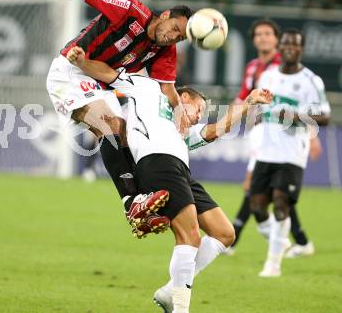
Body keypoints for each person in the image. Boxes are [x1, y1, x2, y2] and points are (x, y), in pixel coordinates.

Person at [0, 0, 193, 235]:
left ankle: (137, 205)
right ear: (166, 14)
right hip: (69, 72)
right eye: (174, 28)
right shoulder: (128, 9)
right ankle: (134, 202)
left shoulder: (164, 50)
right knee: (110, 125)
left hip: (101, 83)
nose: (173, 37)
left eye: (179, 38)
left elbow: (168, 89)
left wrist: (181, 113)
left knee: (124, 132)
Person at [66, 50, 272, 312]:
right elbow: (108, 74)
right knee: (189, 236)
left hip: (181, 171)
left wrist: (249, 102)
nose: (198, 116)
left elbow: (215, 130)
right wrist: (82, 62)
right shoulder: (148, 89)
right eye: (198, 109)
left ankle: (169, 291)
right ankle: (180, 308)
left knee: (224, 233)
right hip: (157, 162)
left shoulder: (183, 129)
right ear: (183, 97)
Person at [230, 19, 319, 257]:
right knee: (272, 190)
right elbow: (242, 98)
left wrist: (312, 136)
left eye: (268, 34)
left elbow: (304, 104)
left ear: (276, 39)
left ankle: (232, 239)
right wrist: (226, 121)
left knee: (255, 185)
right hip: (260, 133)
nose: (263, 38)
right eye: (258, 34)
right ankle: (299, 241)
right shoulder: (252, 67)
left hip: (284, 135)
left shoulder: (286, 66)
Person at [250, 28, 330, 277]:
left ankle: (273, 264)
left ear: (301, 49)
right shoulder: (268, 76)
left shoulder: (311, 81)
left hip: (293, 152)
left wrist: (297, 116)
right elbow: (259, 107)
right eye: (285, 44)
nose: (289, 48)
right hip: (266, 150)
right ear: (280, 46)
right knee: (257, 207)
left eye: (294, 45)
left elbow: (325, 116)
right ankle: (280, 240)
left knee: (281, 204)